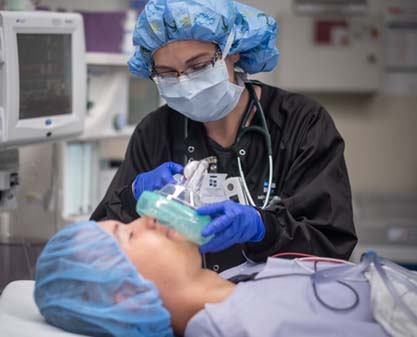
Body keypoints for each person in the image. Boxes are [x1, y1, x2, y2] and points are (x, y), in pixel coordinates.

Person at [91, 0, 357, 272]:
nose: (186, 84)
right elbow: (99, 240)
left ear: (233, 51)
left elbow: (331, 242)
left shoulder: (301, 122)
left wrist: (263, 228)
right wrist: (133, 196)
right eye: (168, 73)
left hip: (280, 300)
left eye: (198, 66)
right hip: (185, 302)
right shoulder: (155, 132)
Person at [34, 219, 388, 337]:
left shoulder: (238, 280)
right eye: (127, 234)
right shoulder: (239, 328)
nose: (146, 218)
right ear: (124, 295)